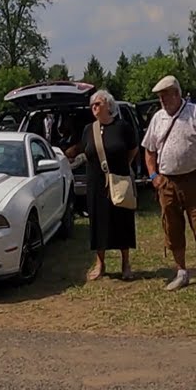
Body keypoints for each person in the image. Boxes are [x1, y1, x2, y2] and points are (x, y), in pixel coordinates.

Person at [64, 90, 137, 280]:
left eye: (97, 104)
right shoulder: (89, 129)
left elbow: (133, 149)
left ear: (108, 105)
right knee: (98, 222)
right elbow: (86, 150)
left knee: (122, 220)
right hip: (95, 183)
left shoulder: (123, 127)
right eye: (92, 105)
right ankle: (100, 264)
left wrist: (123, 167)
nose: (93, 107)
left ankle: (125, 264)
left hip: (118, 180)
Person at [143, 75, 196, 291]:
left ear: (177, 94)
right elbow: (149, 150)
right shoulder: (157, 118)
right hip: (167, 183)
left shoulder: (193, 113)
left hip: (193, 179)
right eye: (160, 97)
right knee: (172, 228)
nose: (162, 101)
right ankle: (181, 272)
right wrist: (154, 176)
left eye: (165, 96)